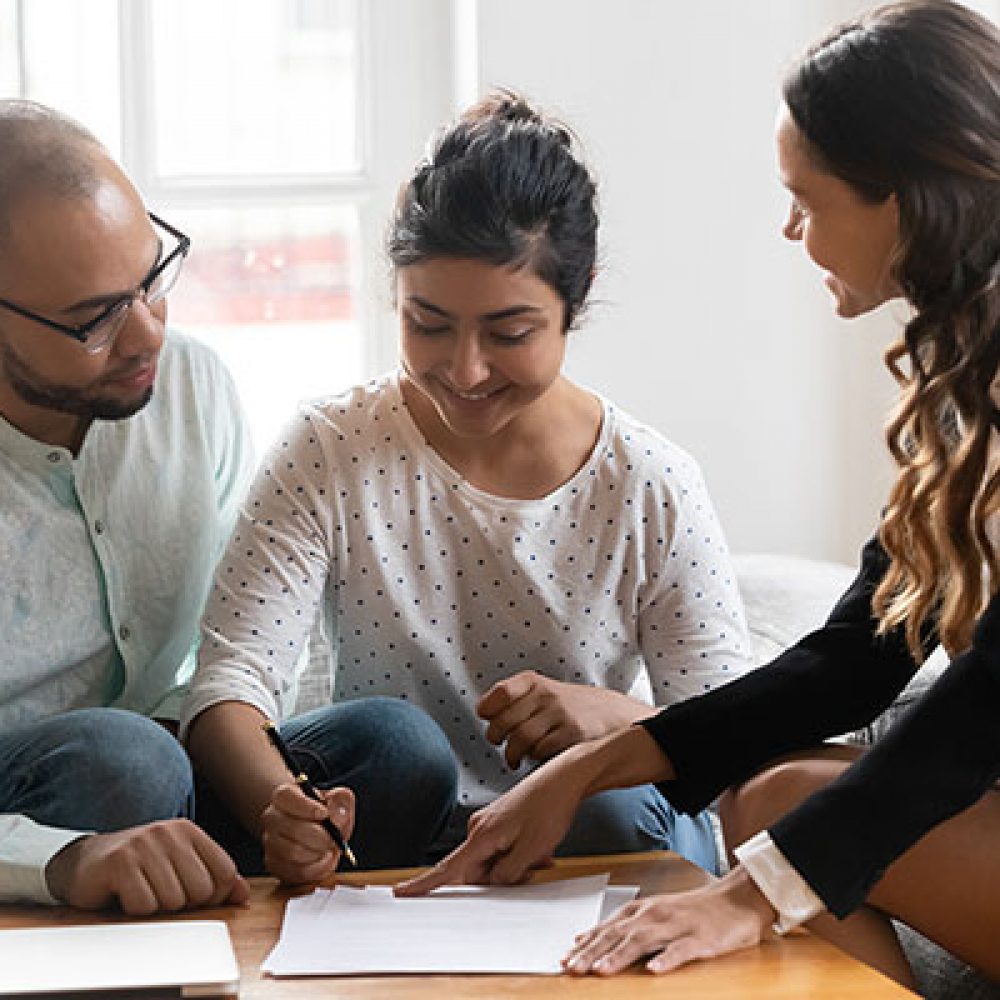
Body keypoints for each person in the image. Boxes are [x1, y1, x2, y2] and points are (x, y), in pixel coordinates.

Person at [397, 0, 1000, 989]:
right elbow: (854, 663)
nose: (790, 225)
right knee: (770, 792)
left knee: (775, 819)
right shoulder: (957, 396)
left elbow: (982, 707)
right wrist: (582, 770)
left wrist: (744, 897)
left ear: (894, 194)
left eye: (806, 196)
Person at [180, 92, 751, 885]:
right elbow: (230, 681)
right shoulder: (331, 446)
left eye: (509, 333)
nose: (466, 369)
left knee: (605, 798)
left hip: (583, 837)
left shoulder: (651, 483)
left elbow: (740, 737)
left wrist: (613, 720)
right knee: (397, 743)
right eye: (429, 324)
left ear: (575, 295)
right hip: (392, 827)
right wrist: (280, 803)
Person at [0, 100, 254, 914]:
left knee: (391, 748)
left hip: (174, 756)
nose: (147, 336)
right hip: (44, 800)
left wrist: (275, 782)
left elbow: (246, 632)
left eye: (151, 278)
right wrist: (59, 860)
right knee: (128, 762)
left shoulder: (193, 385)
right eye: (97, 318)